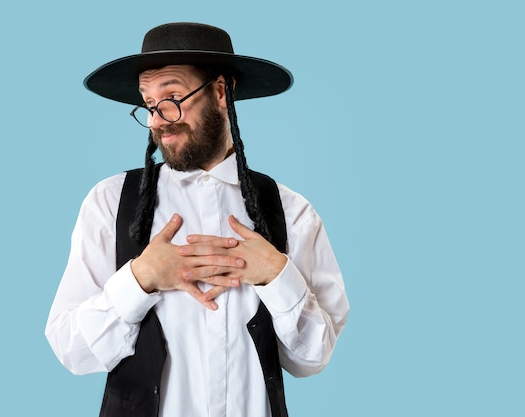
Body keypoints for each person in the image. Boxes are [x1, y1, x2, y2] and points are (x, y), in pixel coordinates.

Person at [45, 22, 349, 417]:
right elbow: (72, 350)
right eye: (148, 103)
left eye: (171, 96)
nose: (158, 119)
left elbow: (311, 359)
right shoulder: (109, 202)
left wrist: (277, 274)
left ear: (221, 92)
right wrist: (140, 280)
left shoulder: (291, 211)